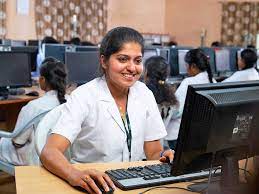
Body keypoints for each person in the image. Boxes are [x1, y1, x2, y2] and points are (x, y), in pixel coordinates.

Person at [40, 27, 174, 194]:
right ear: (104, 61)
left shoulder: (144, 93)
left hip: (133, 183)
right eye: (123, 59)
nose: (132, 68)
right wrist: (74, 174)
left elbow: (153, 151)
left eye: (138, 61)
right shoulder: (84, 96)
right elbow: (49, 152)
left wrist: (164, 155)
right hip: (94, 185)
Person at [0, 57, 67, 165]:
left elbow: (18, 143)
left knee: (4, 141)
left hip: (35, 157)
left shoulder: (33, 106)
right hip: (62, 155)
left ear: (42, 80)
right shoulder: (70, 101)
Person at [166, 48, 216, 150]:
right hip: (201, 135)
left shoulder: (188, 82)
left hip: (179, 136)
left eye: (186, 65)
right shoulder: (213, 81)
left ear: (193, 66)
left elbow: (176, 112)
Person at [144, 56, 179, 148]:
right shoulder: (171, 97)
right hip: (159, 148)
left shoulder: (144, 94)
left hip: (143, 150)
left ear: (146, 72)